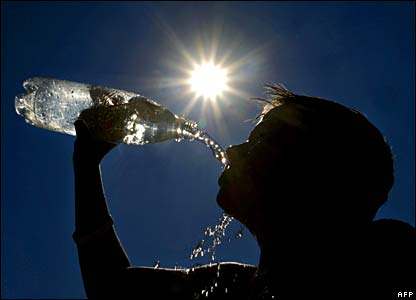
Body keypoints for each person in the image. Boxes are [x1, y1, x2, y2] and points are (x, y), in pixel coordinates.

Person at [72, 84, 415, 299]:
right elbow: (113, 288)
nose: (233, 151)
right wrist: (87, 166)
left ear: (319, 174)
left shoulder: (386, 257)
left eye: (261, 142)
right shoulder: (234, 285)